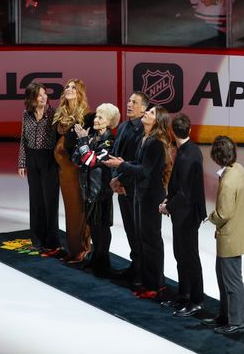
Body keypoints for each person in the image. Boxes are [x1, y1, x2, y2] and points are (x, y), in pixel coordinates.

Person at [104, 105, 173, 300]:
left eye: (151, 113)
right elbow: (138, 165)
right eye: (148, 110)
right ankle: (146, 280)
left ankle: (156, 284)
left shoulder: (156, 143)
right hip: (140, 194)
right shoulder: (146, 139)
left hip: (151, 197)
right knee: (142, 240)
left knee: (151, 241)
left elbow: (145, 171)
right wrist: (123, 166)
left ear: (157, 121)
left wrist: (121, 165)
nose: (146, 113)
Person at [202, 135, 244, 335]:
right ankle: (225, 316)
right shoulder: (239, 170)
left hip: (229, 236)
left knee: (231, 281)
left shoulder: (229, 181)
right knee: (224, 279)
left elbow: (224, 213)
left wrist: (210, 217)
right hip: (236, 232)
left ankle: (237, 320)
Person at [160, 113, 206, 317]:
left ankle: (196, 300)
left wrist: (167, 207)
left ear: (172, 132)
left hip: (187, 216)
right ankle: (184, 294)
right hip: (183, 213)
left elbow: (185, 193)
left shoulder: (188, 155)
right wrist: (169, 201)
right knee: (181, 255)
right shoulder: (190, 149)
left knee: (189, 257)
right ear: (189, 130)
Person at [107, 91, 149, 287]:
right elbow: (115, 154)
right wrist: (115, 178)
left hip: (134, 188)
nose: (129, 104)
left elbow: (138, 162)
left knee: (138, 230)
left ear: (144, 108)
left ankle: (143, 270)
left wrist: (120, 178)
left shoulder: (144, 130)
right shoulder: (123, 126)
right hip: (121, 186)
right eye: (129, 101)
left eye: (135, 102)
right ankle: (135, 264)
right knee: (130, 230)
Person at [73, 102, 120, 276]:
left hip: (100, 191)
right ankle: (95, 258)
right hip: (88, 189)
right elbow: (77, 159)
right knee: (93, 226)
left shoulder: (108, 141)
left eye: (101, 117)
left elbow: (90, 161)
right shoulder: (92, 136)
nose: (96, 119)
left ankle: (103, 261)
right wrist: (85, 147)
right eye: (97, 115)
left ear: (109, 122)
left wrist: (83, 143)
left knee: (101, 228)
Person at [17, 82, 61, 256]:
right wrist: (22, 162)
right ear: (31, 98)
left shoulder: (54, 114)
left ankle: (52, 240)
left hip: (49, 158)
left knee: (50, 200)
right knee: (35, 199)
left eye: (45, 94)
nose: (43, 97)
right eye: (39, 95)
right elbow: (23, 139)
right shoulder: (26, 114)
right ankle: (37, 237)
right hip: (32, 158)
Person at [52, 78, 93, 262]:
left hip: (76, 169)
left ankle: (82, 248)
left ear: (80, 93)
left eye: (73, 88)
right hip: (63, 170)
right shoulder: (59, 114)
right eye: (67, 86)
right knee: (70, 209)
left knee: (79, 209)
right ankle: (73, 248)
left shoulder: (85, 116)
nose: (68, 89)